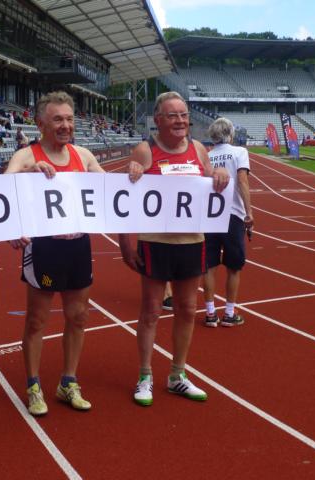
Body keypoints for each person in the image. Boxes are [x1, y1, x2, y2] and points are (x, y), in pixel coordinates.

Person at [119, 91, 229, 407]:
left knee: (187, 309)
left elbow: (211, 180)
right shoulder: (146, 150)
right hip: (156, 242)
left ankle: (177, 374)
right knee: (151, 311)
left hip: (192, 242)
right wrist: (125, 243)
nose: (180, 121)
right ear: (158, 120)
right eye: (172, 115)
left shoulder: (198, 149)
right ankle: (145, 375)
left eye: (183, 115)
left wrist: (219, 174)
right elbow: (125, 197)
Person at [5, 91, 105, 416]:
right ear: (40, 124)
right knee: (37, 319)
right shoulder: (26, 155)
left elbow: (114, 189)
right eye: (57, 119)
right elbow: (3, 186)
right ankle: (33, 385)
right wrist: (28, 174)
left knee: (78, 316)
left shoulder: (83, 155)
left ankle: (68, 381)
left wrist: (133, 173)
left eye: (69, 119)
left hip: (77, 246)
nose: (65, 125)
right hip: (44, 248)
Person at [202, 118, 253, 327]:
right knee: (234, 267)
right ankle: (229, 313)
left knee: (209, 266)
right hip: (233, 214)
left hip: (209, 215)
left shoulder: (206, 156)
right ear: (230, 134)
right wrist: (249, 212)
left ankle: (210, 313)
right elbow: (242, 180)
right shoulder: (239, 152)